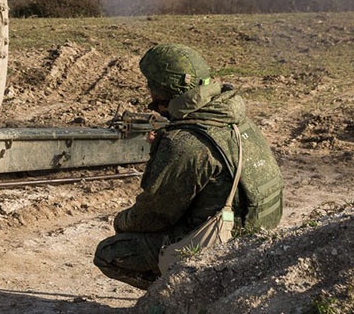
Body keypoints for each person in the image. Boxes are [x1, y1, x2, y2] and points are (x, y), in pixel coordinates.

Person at [93, 43, 284, 289]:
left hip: (225, 240)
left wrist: (121, 222)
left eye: (151, 85)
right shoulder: (231, 116)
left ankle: (186, 293)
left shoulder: (184, 143)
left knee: (110, 253)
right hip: (259, 229)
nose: (148, 91)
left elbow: (154, 214)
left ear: (164, 89)